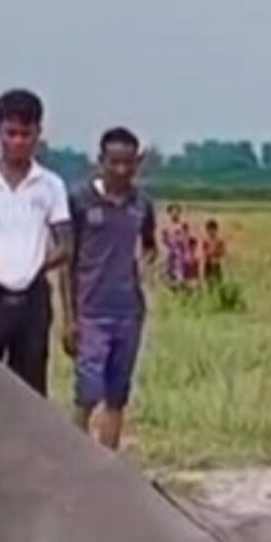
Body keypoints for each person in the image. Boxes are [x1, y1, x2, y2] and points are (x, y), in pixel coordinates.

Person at [0, 89, 71, 394]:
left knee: (29, 387)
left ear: (38, 134)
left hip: (33, 298)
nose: (18, 141)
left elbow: (65, 244)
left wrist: (37, 267)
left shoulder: (51, 185)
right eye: (11, 133)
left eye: (25, 134)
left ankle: (26, 443)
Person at [61, 127, 158, 450]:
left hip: (129, 311)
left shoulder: (142, 205)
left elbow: (149, 247)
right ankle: (76, 459)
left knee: (117, 394)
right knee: (87, 393)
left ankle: (108, 466)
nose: (122, 170)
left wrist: (146, 268)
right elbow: (67, 261)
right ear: (100, 160)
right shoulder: (79, 200)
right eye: (114, 162)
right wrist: (69, 317)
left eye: (129, 163)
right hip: (90, 310)